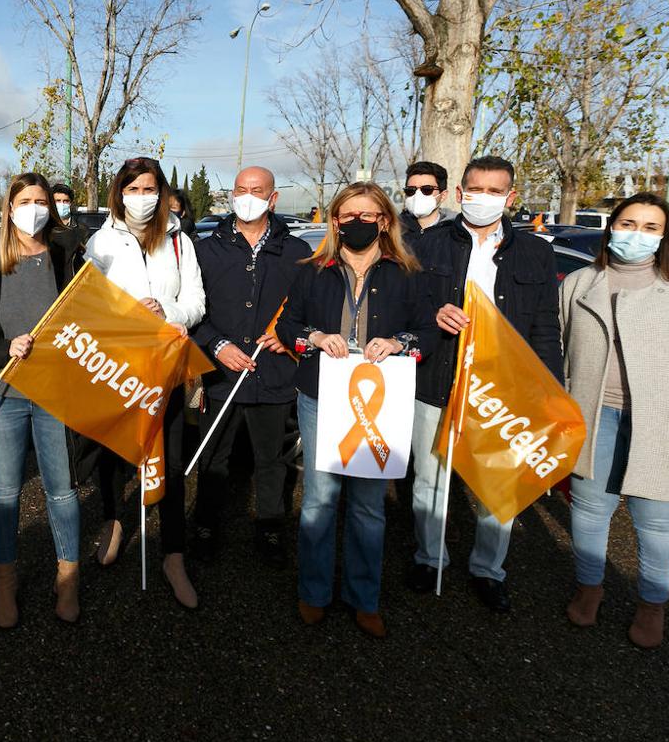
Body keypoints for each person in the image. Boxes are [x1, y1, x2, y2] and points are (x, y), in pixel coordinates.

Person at [560, 193, 669, 648]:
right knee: (589, 511)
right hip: (592, 416)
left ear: (665, 238)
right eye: (627, 223)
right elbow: (557, 352)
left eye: (650, 227)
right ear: (611, 227)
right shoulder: (579, 283)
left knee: (657, 522)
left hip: (663, 423)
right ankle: (589, 588)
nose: (635, 234)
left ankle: (652, 605)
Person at [275, 181, 436, 638]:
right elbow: (287, 325)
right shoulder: (313, 269)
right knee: (320, 500)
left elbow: (426, 331)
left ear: (385, 221)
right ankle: (314, 592)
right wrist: (314, 338)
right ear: (335, 222)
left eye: (368, 215)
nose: (358, 223)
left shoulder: (406, 273)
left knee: (368, 506)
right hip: (322, 395)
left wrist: (399, 342)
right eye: (348, 216)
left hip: (380, 400)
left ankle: (364, 598)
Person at [409, 155, 561, 613]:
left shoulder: (537, 252)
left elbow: (545, 326)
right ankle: (428, 557)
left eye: (496, 191)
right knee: (429, 479)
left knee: (501, 485)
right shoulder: (427, 246)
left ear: (511, 198)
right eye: (476, 189)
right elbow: (405, 307)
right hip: (436, 378)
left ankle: (488, 570)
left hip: (504, 386)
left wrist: (548, 390)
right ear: (459, 193)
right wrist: (432, 316)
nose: (484, 198)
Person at [0, 172, 81, 627]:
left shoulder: (70, 254)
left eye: (42, 200)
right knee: (4, 491)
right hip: (4, 391)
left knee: (61, 490)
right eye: (25, 200)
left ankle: (68, 577)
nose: (35, 208)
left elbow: (92, 316)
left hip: (55, 392)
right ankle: (4, 582)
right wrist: (1, 348)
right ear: (8, 208)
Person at [84, 156, 206, 609]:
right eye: (132, 189)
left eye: (149, 188)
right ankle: (115, 521)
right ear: (119, 193)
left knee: (171, 463)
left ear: (161, 191)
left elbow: (195, 301)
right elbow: (87, 302)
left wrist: (168, 312)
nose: (141, 197)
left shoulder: (179, 241)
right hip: (116, 368)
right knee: (115, 454)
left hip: (166, 367)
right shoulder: (101, 241)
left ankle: (173, 555)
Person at [191, 166, 310, 568]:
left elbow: (309, 310)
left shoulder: (297, 253)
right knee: (213, 456)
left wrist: (290, 335)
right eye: (240, 189)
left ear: (272, 199)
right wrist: (216, 344)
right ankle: (205, 524)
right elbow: (192, 313)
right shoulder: (205, 250)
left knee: (270, 459)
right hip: (221, 376)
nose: (247, 196)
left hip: (273, 375)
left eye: (256, 190)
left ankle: (271, 526)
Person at [398, 161, 454, 249]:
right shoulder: (393, 231)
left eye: (427, 190)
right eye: (411, 190)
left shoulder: (457, 232)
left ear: (443, 195)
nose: (417, 195)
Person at [51, 182, 90, 256]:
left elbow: (86, 257)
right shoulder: (45, 227)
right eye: (58, 201)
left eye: (66, 201)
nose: (62, 204)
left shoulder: (82, 230)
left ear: (71, 203)